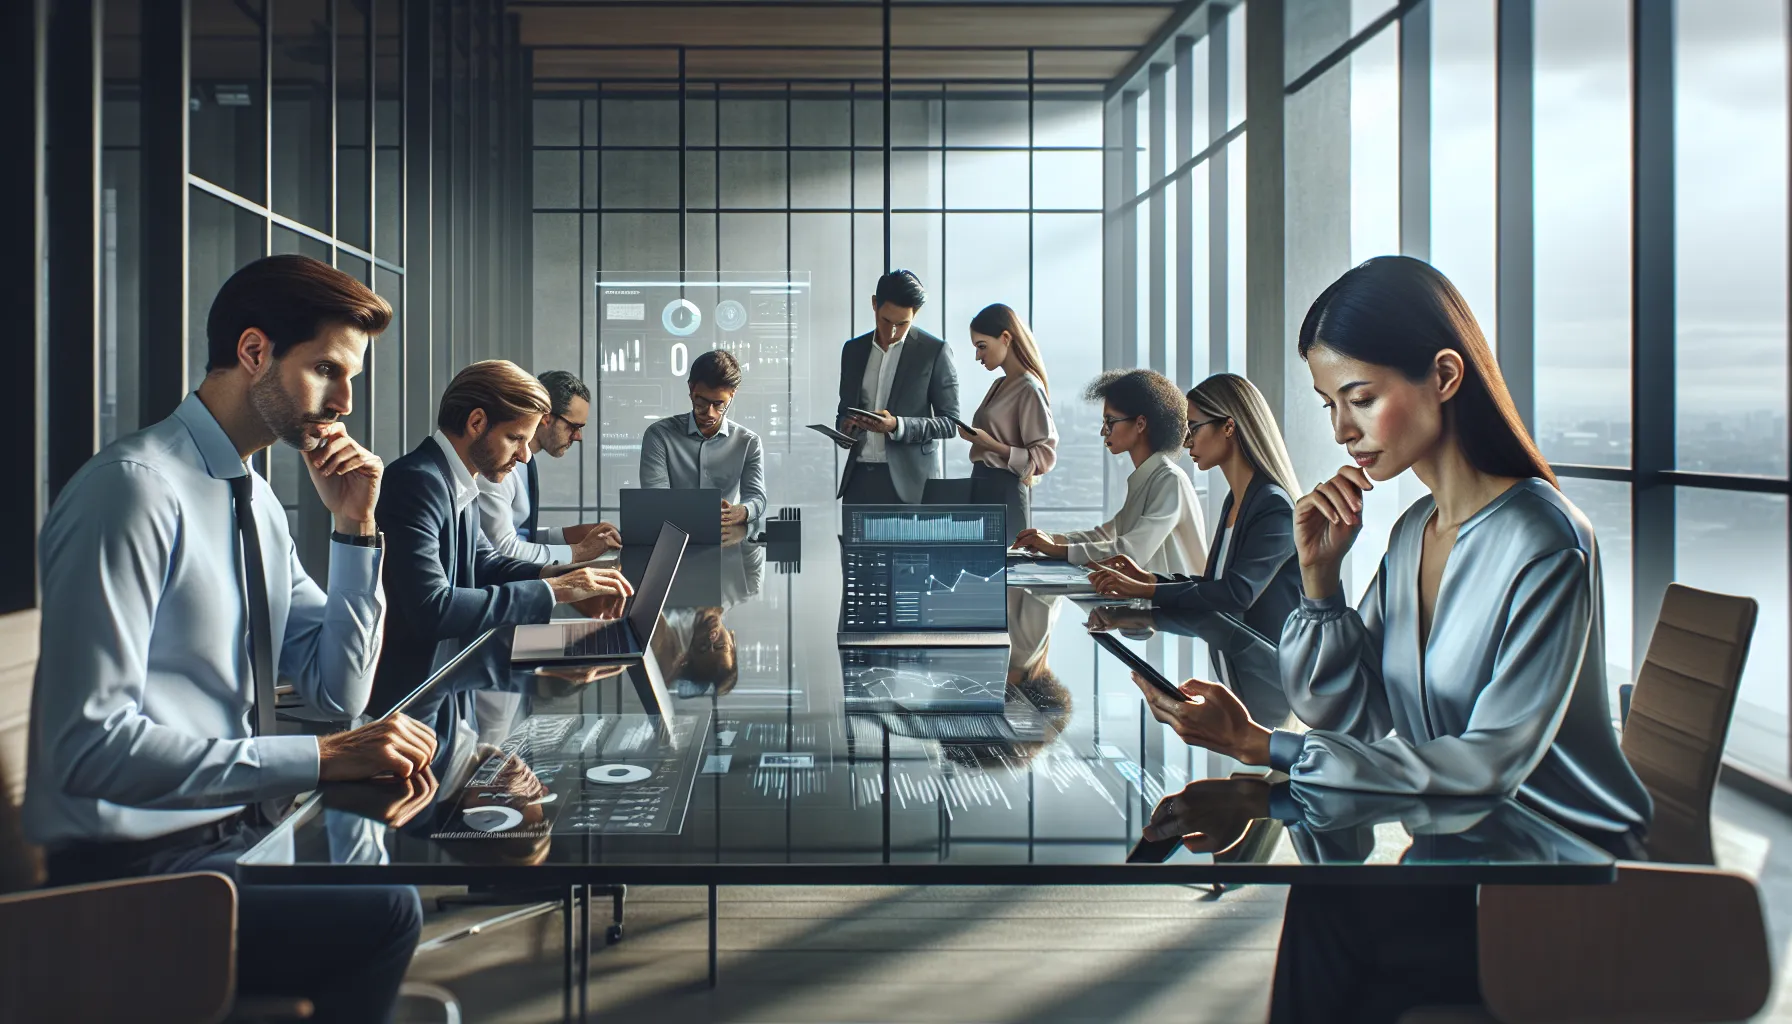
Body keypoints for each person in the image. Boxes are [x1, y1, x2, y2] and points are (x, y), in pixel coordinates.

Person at [1128, 256, 1652, 1023]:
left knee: (1330, 919)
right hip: (1459, 868)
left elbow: (1483, 769)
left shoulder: (1545, 541)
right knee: (1329, 912)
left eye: (1361, 399)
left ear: (1444, 375)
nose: (1341, 431)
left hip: (1553, 886)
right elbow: (1348, 709)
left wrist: (1265, 765)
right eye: (1329, 405)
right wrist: (1320, 581)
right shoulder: (1414, 532)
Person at [25, 254, 440, 1022]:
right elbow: (86, 750)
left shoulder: (259, 502)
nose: (345, 403)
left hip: (232, 837)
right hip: (134, 874)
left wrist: (355, 526)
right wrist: (316, 759)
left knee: (387, 859)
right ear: (255, 353)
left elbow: (335, 692)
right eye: (327, 371)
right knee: (383, 910)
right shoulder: (133, 492)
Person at [373, 360, 634, 714]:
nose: (526, 456)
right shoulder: (418, 481)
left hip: (445, 690)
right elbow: (431, 608)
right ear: (476, 423)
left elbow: (486, 562)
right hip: (412, 705)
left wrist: (563, 578)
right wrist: (553, 591)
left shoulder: (454, 479)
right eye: (516, 439)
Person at [1086, 372, 1302, 642]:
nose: (1187, 442)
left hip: (1272, 675)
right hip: (1238, 668)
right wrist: (1149, 580)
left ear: (1228, 427)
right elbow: (1212, 586)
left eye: (1195, 428)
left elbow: (1236, 594)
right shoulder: (1235, 501)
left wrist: (1146, 590)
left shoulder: (1273, 506)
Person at [1013, 369, 1206, 574]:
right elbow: (1104, 536)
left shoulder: (1169, 481)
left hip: (1176, 604)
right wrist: (1049, 538)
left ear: (1140, 424)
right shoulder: (1148, 478)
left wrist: (1058, 549)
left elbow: (1130, 551)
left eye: (1110, 422)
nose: (1103, 431)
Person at [836, 270, 961, 504]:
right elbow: (844, 410)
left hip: (912, 486)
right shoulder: (853, 350)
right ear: (874, 304)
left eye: (902, 324)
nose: (892, 331)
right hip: (859, 481)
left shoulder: (934, 352)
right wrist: (846, 428)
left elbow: (950, 423)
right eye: (885, 321)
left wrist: (897, 425)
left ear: (916, 314)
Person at [475, 369, 620, 564]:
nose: (578, 437)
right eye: (573, 427)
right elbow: (503, 550)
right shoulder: (499, 464)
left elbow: (520, 535)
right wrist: (578, 552)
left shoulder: (525, 463)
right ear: (546, 418)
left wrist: (566, 536)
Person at [954, 303, 1057, 542]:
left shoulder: (1029, 388)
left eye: (982, 346)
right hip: (981, 488)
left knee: (1005, 574)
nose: (977, 355)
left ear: (1006, 338)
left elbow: (1042, 457)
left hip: (1004, 494)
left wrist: (989, 443)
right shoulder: (999, 385)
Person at [640, 349, 766, 526]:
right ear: (691, 389)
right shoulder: (660, 435)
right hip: (673, 536)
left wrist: (743, 511)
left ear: (732, 394)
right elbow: (656, 498)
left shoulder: (748, 442)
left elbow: (756, 497)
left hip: (726, 540)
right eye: (702, 403)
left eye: (719, 404)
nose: (710, 413)